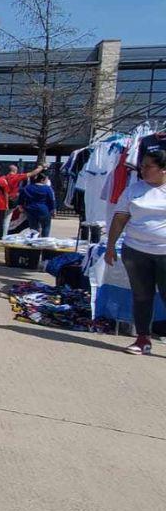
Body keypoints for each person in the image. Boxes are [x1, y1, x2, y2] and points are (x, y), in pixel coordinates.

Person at [104, 148, 166, 356]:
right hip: (136, 251)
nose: (143, 170)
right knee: (141, 296)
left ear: (163, 169)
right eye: (142, 166)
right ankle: (142, 339)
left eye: (149, 166)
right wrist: (110, 246)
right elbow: (120, 218)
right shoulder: (133, 189)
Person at [1, 163, 45, 236]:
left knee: (2, 218)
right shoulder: (16, 177)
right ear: (15, 170)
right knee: (7, 219)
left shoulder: (3, 178)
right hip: (11, 199)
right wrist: (41, 167)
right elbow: (32, 173)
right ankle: (4, 234)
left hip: (2, 200)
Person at [18, 174, 56, 238]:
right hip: (44, 210)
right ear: (42, 180)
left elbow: (21, 197)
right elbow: (51, 200)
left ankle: (34, 241)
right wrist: (53, 209)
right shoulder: (47, 188)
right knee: (45, 227)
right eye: (46, 179)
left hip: (30, 209)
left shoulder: (27, 187)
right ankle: (44, 240)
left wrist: (21, 206)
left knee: (33, 228)